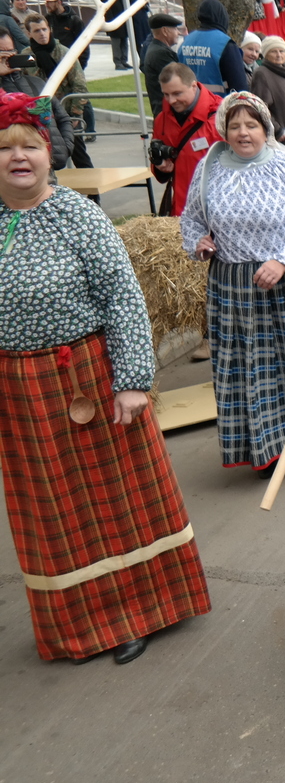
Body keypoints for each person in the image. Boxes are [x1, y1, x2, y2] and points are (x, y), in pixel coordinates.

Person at [0, 91, 210, 664]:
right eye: (5, 147)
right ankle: (75, 622)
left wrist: (134, 380)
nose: (19, 157)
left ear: (50, 154)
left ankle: (134, 612)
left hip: (86, 379)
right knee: (51, 504)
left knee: (111, 495)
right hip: (19, 391)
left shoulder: (78, 216)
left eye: (31, 146)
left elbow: (122, 300)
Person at [179, 91, 285, 480]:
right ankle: (264, 447)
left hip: (284, 283)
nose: (243, 133)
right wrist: (198, 242)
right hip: (232, 286)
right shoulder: (210, 167)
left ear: (266, 129)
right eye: (235, 126)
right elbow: (192, 219)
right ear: (224, 131)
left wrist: (282, 261)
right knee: (246, 370)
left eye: (251, 125)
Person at [21, 14, 93, 168]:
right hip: (39, 115)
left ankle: (93, 192)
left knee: (79, 155)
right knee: (43, 159)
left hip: (65, 113)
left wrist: (76, 114)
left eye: (44, 29)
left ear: (50, 29)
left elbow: (79, 84)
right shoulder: (26, 56)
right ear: (29, 34)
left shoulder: (64, 52)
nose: (42, 34)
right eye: (37, 31)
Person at [152, 64, 223, 217]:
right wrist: (160, 167)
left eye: (177, 93)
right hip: (180, 211)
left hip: (214, 212)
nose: (171, 100)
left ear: (193, 86)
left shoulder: (222, 118)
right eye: (166, 94)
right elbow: (159, 164)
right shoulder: (162, 120)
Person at [179, 0, 248, 95]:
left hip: (191, 103)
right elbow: (239, 85)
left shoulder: (186, 42)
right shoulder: (225, 44)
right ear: (223, 17)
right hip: (218, 105)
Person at [141, 13, 180, 114]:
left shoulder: (156, 49)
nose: (178, 33)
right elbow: (179, 82)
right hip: (168, 114)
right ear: (165, 31)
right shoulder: (161, 53)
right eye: (175, 29)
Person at [98, 0, 133, 69]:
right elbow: (105, 6)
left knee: (124, 41)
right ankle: (117, 62)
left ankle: (124, 60)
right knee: (116, 41)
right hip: (113, 19)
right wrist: (110, 21)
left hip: (122, 18)